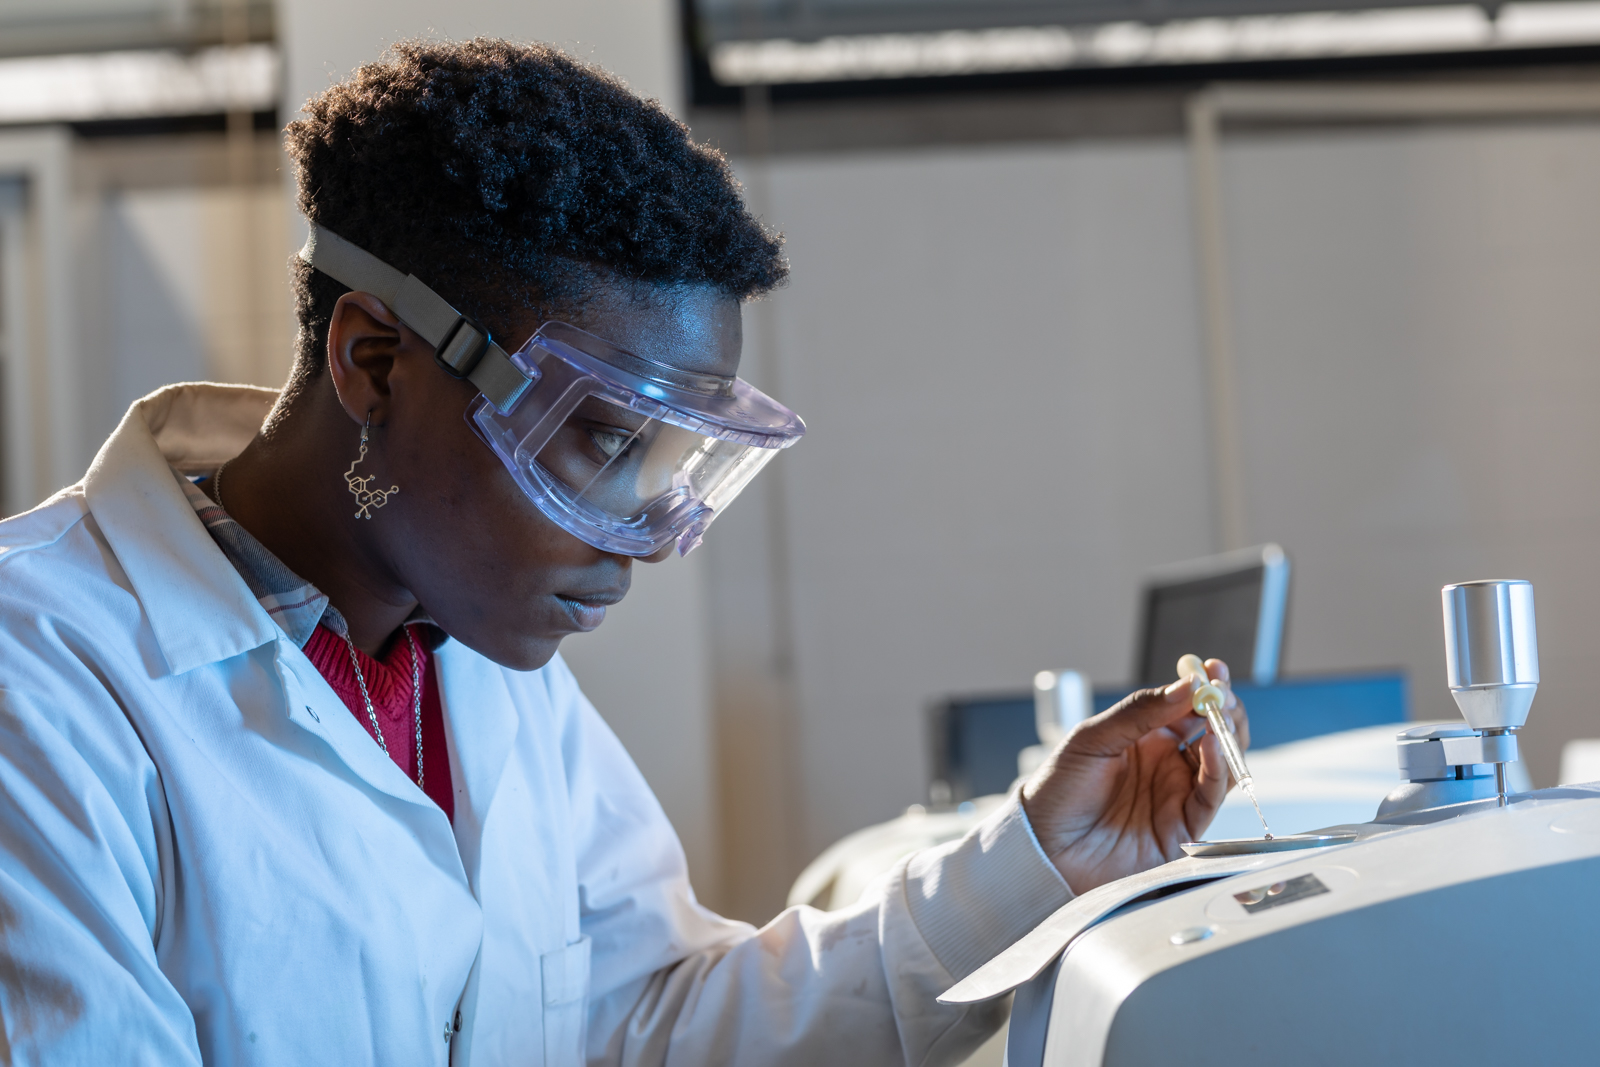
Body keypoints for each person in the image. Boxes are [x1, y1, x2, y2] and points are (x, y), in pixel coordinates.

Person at [0, 39, 1247, 1066]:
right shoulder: (45, 673)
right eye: (595, 439)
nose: (641, 539)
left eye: (669, 466)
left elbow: (652, 1016)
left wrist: (1036, 858)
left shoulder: (482, 659)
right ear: (374, 360)